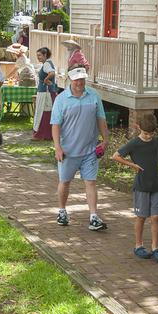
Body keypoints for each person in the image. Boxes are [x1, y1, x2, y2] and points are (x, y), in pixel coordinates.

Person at [50, 66, 110, 231]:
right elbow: (55, 125)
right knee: (65, 181)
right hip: (68, 151)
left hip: (90, 149)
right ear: (70, 80)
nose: (80, 83)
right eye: (77, 80)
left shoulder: (94, 96)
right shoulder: (61, 99)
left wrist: (105, 139)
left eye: (82, 79)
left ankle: (93, 216)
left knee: (90, 182)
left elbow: (101, 119)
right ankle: (62, 211)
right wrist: (58, 147)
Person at [112, 113, 158, 263]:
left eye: (151, 133)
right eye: (146, 133)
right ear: (138, 127)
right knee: (141, 217)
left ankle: (155, 247)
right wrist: (133, 165)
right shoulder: (134, 143)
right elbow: (115, 156)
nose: (148, 136)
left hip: (156, 186)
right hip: (141, 186)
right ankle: (138, 245)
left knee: (156, 217)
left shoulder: (157, 142)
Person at [32, 47, 58, 140]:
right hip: (48, 92)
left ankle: (42, 134)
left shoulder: (47, 64)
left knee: (43, 112)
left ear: (45, 55)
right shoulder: (48, 63)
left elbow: (52, 73)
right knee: (47, 112)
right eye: (37, 55)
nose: (38, 57)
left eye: (39, 55)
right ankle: (48, 134)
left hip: (45, 92)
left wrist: (46, 79)